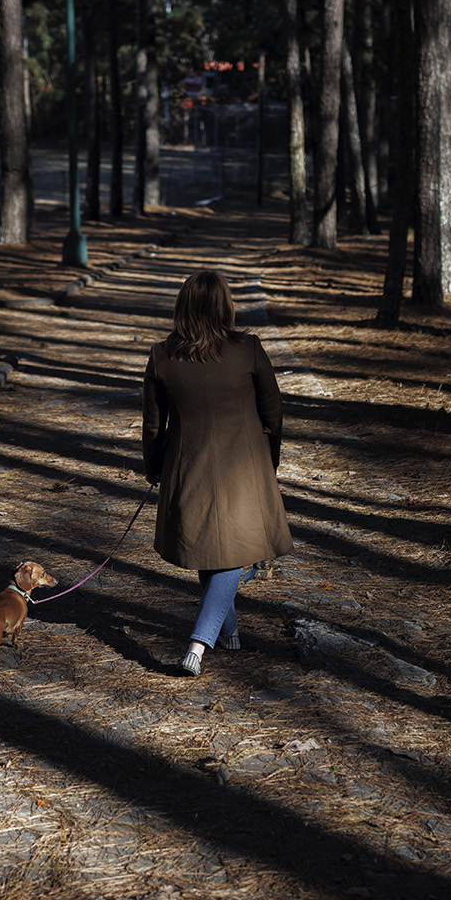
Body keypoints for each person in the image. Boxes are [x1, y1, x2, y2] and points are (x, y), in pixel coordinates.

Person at [141, 270, 292, 675]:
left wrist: (155, 468)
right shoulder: (248, 349)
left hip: (187, 463)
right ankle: (201, 642)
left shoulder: (161, 355)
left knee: (215, 545)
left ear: (183, 307)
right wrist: (269, 458)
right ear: (225, 306)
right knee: (225, 548)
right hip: (243, 465)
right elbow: (273, 411)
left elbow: (154, 426)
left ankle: (224, 633)